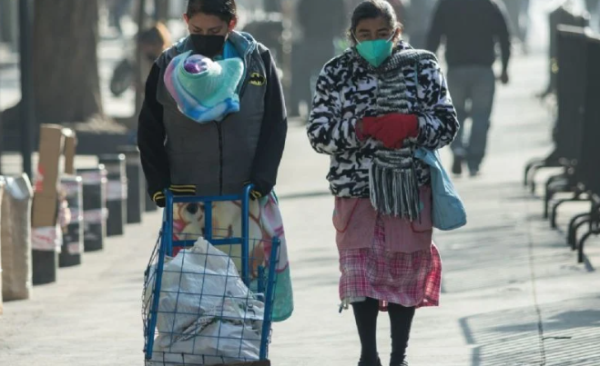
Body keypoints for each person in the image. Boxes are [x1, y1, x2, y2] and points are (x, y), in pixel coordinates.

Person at [307, 1, 459, 365]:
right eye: (364, 35)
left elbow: (446, 123)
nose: (373, 41)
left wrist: (412, 125)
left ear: (397, 32)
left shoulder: (422, 67)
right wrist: (360, 129)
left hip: (408, 191)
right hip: (355, 191)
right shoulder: (336, 73)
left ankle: (398, 355)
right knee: (360, 274)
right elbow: (318, 133)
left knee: (403, 275)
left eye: (381, 35)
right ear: (352, 37)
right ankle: (368, 354)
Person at [137, 0, 293, 322]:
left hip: (245, 198)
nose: (205, 38)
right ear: (185, 21)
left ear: (232, 24)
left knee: (247, 294)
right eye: (197, 31)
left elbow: (275, 124)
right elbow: (149, 130)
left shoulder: (257, 62)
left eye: (214, 31)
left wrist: (262, 179)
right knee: (194, 297)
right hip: (189, 204)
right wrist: (159, 185)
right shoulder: (168, 65)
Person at [427, 0, 511, 177]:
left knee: (454, 114)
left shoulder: (447, 4)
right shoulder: (490, 4)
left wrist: (428, 68)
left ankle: (458, 149)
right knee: (481, 116)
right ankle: (474, 162)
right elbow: (504, 36)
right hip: (483, 68)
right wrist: (504, 67)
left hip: (456, 68)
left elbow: (434, 36)